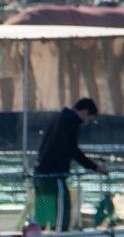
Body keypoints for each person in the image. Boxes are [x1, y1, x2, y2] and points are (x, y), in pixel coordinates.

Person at [33, 97, 105, 230]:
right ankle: (61, 236)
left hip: (40, 173)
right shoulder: (70, 122)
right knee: (62, 208)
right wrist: (94, 166)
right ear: (84, 112)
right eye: (89, 118)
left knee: (44, 210)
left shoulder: (59, 118)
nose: (87, 122)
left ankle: (39, 234)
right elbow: (72, 150)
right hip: (54, 174)